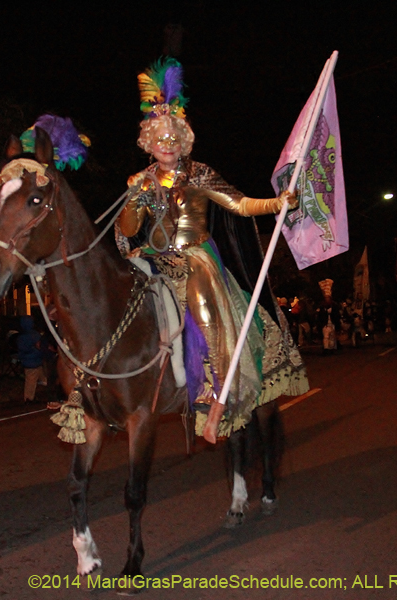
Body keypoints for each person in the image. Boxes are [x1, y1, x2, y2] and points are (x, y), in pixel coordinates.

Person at [115, 57, 298, 441]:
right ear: (148, 142)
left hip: (196, 257)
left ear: (183, 140)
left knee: (203, 308)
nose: (166, 145)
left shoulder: (201, 173)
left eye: (173, 139)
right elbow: (127, 230)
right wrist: (134, 198)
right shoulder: (142, 180)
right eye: (159, 139)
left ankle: (218, 395)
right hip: (152, 258)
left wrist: (278, 202)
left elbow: (241, 204)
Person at [15, 315, 45, 403]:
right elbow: (40, 346)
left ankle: (35, 394)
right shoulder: (35, 335)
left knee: (34, 379)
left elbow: (21, 349)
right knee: (31, 381)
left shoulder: (21, 337)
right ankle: (28, 398)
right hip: (35, 361)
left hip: (28, 362)